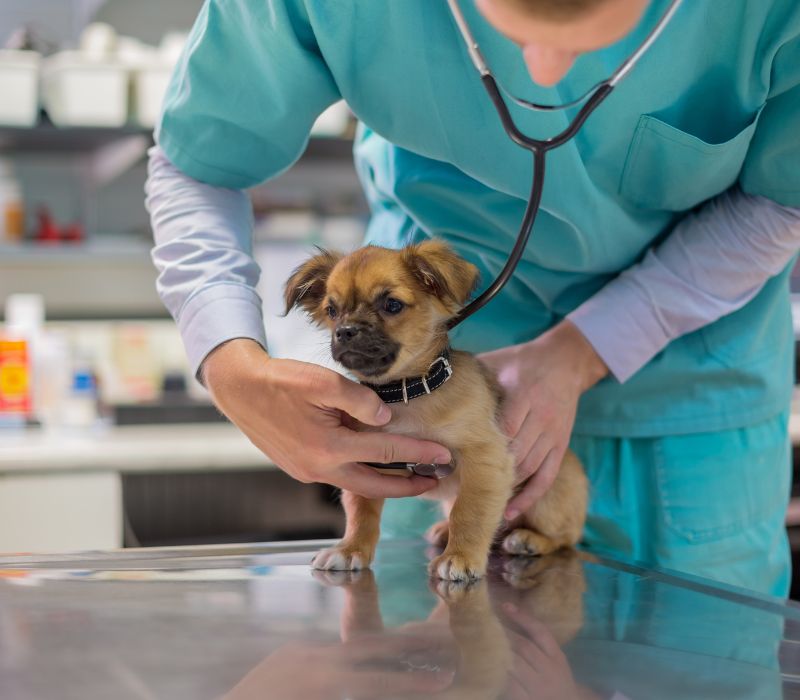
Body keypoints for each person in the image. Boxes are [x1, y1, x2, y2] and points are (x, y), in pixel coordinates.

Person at [146, 0, 800, 597]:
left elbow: (785, 196)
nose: (544, 74)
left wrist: (586, 349)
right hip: (420, 423)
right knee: (423, 662)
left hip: (690, 405)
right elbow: (197, 160)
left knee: (699, 665)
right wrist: (229, 363)